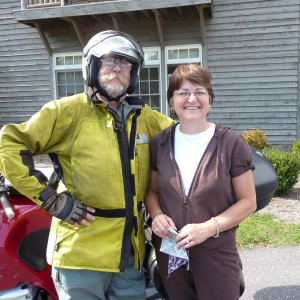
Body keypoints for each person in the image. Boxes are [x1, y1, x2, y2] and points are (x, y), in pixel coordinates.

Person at [0, 30, 173, 299]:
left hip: (128, 255)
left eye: (125, 64)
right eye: (109, 61)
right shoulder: (67, 111)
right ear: (92, 67)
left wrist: (230, 149)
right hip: (81, 253)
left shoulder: (144, 117)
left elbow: (188, 137)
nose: (117, 69)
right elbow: (10, 142)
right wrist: (51, 199)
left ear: (134, 74)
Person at [145, 64, 256, 300]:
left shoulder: (231, 143)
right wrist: (156, 215)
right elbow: (152, 191)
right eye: (182, 92)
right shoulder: (160, 143)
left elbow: (248, 202)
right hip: (171, 250)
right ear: (172, 102)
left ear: (210, 100)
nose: (191, 99)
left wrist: (207, 228)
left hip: (215, 251)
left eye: (200, 92)